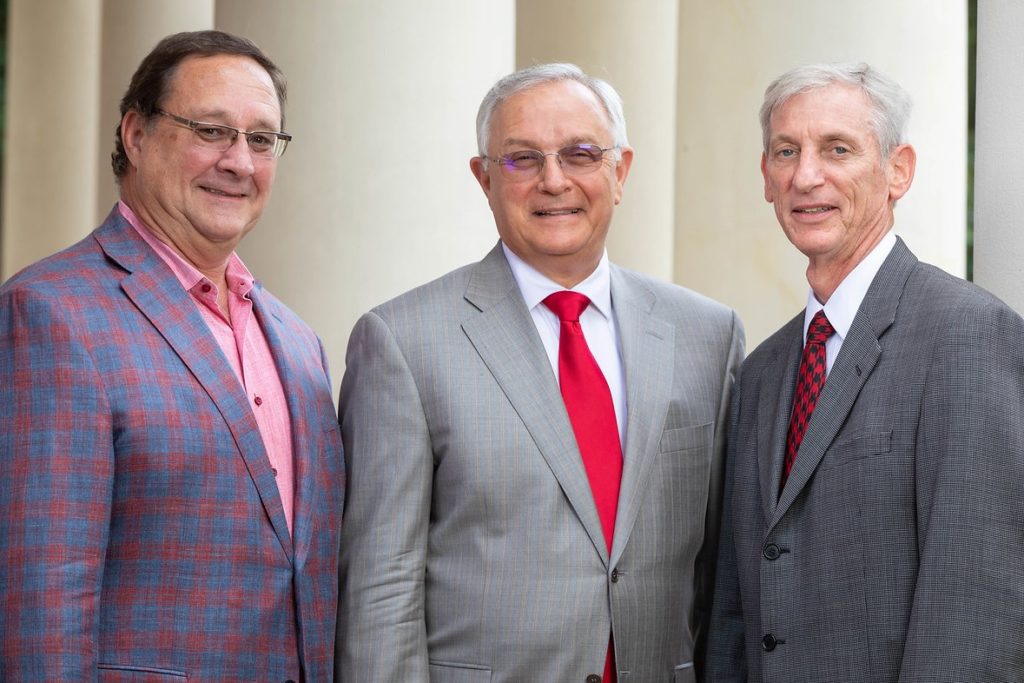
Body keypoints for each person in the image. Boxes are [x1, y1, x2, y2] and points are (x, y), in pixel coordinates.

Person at [336, 62, 743, 682]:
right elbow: (382, 589)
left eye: (580, 154)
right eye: (522, 159)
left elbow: (722, 575)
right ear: (484, 179)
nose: (554, 181)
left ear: (620, 171)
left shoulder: (707, 338)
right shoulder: (403, 343)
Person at [0, 30, 343, 681]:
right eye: (211, 130)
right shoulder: (51, 313)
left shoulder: (299, 343)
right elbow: (40, 601)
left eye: (262, 139)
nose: (240, 161)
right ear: (135, 134)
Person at [706, 62, 1024, 682]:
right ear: (765, 179)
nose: (806, 175)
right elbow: (736, 608)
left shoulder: (966, 333)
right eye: (786, 151)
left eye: (838, 149)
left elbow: (975, 610)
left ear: (897, 170)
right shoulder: (764, 368)